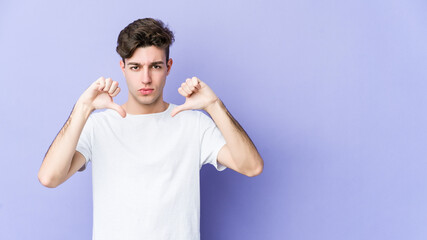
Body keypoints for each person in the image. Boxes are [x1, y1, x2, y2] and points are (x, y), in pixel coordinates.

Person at [38, 18, 263, 240]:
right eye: (136, 67)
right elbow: (50, 178)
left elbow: (251, 167)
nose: (146, 79)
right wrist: (82, 108)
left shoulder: (194, 124)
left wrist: (214, 106)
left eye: (155, 66)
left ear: (168, 67)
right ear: (123, 68)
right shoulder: (99, 126)